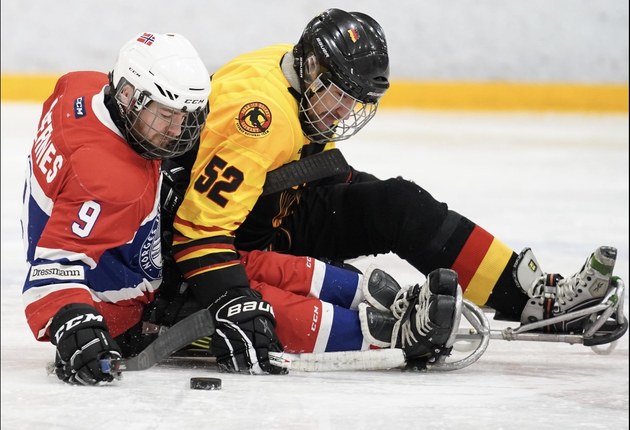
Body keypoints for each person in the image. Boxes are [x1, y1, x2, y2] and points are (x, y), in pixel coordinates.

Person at [160, 9, 626, 373]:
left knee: (398, 204)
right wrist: (236, 299)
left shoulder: (297, 73)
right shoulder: (258, 118)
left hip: (269, 206)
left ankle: (538, 300)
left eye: (355, 101)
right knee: (351, 260)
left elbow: (296, 165)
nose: (344, 112)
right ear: (314, 65)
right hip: (235, 242)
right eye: (340, 95)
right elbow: (197, 234)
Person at [21, 32, 211, 385]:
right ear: (127, 95)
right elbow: (51, 272)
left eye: (185, 114)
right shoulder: (110, 183)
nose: (178, 129)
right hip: (127, 313)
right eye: (167, 114)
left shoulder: (80, 86)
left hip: (120, 243)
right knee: (248, 310)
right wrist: (75, 322)